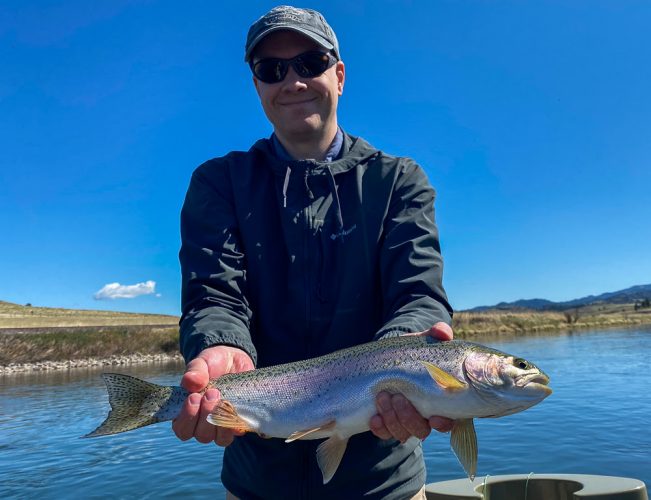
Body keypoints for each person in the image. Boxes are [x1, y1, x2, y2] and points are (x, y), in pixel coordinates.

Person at [172, 5, 454, 499]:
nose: (293, 80)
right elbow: (215, 295)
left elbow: (417, 292)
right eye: (271, 69)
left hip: (385, 482)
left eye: (310, 62)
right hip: (256, 479)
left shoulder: (398, 181)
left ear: (338, 75)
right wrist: (220, 345)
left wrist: (406, 351)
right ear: (257, 86)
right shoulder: (219, 183)